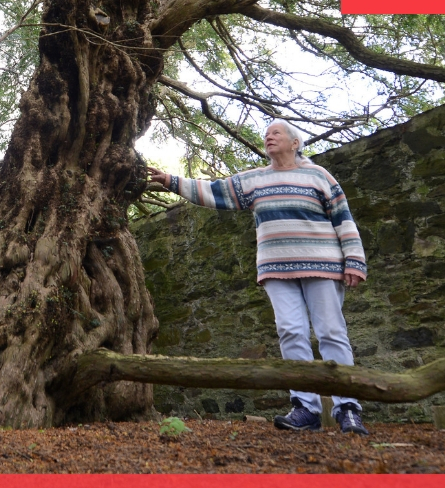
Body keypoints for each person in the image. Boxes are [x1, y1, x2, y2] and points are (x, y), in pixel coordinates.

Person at [146, 119, 369, 435]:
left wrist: (354, 261)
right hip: (276, 270)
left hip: (323, 266)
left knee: (331, 332)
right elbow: (214, 191)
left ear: (295, 143)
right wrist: (172, 181)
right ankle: (305, 409)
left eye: (277, 133)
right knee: (290, 332)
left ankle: (348, 409)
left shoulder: (319, 176)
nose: (269, 137)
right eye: (266, 134)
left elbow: (343, 219)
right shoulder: (255, 180)